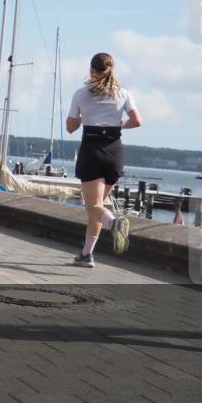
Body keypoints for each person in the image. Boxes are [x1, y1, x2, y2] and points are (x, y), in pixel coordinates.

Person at [65, 52, 140, 268]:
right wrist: (116, 124)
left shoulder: (81, 94)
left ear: (91, 70)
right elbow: (137, 121)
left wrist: (85, 117)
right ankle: (86, 255)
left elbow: (70, 128)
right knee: (96, 206)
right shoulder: (124, 93)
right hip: (115, 151)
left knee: (94, 206)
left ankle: (114, 223)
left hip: (92, 149)